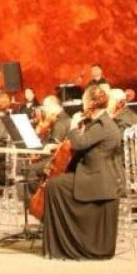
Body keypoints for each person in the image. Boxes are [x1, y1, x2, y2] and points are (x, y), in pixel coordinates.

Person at [40, 84, 123, 260]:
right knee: (56, 183)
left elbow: (79, 144)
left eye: (84, 99)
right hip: (93, 173)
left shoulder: (103, 124)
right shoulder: (98, 122)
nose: (82, 103)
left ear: (91, 102)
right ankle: (62, 242)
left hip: (98, 179)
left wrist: (72, 126)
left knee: (54, 185)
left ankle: (65, 244)